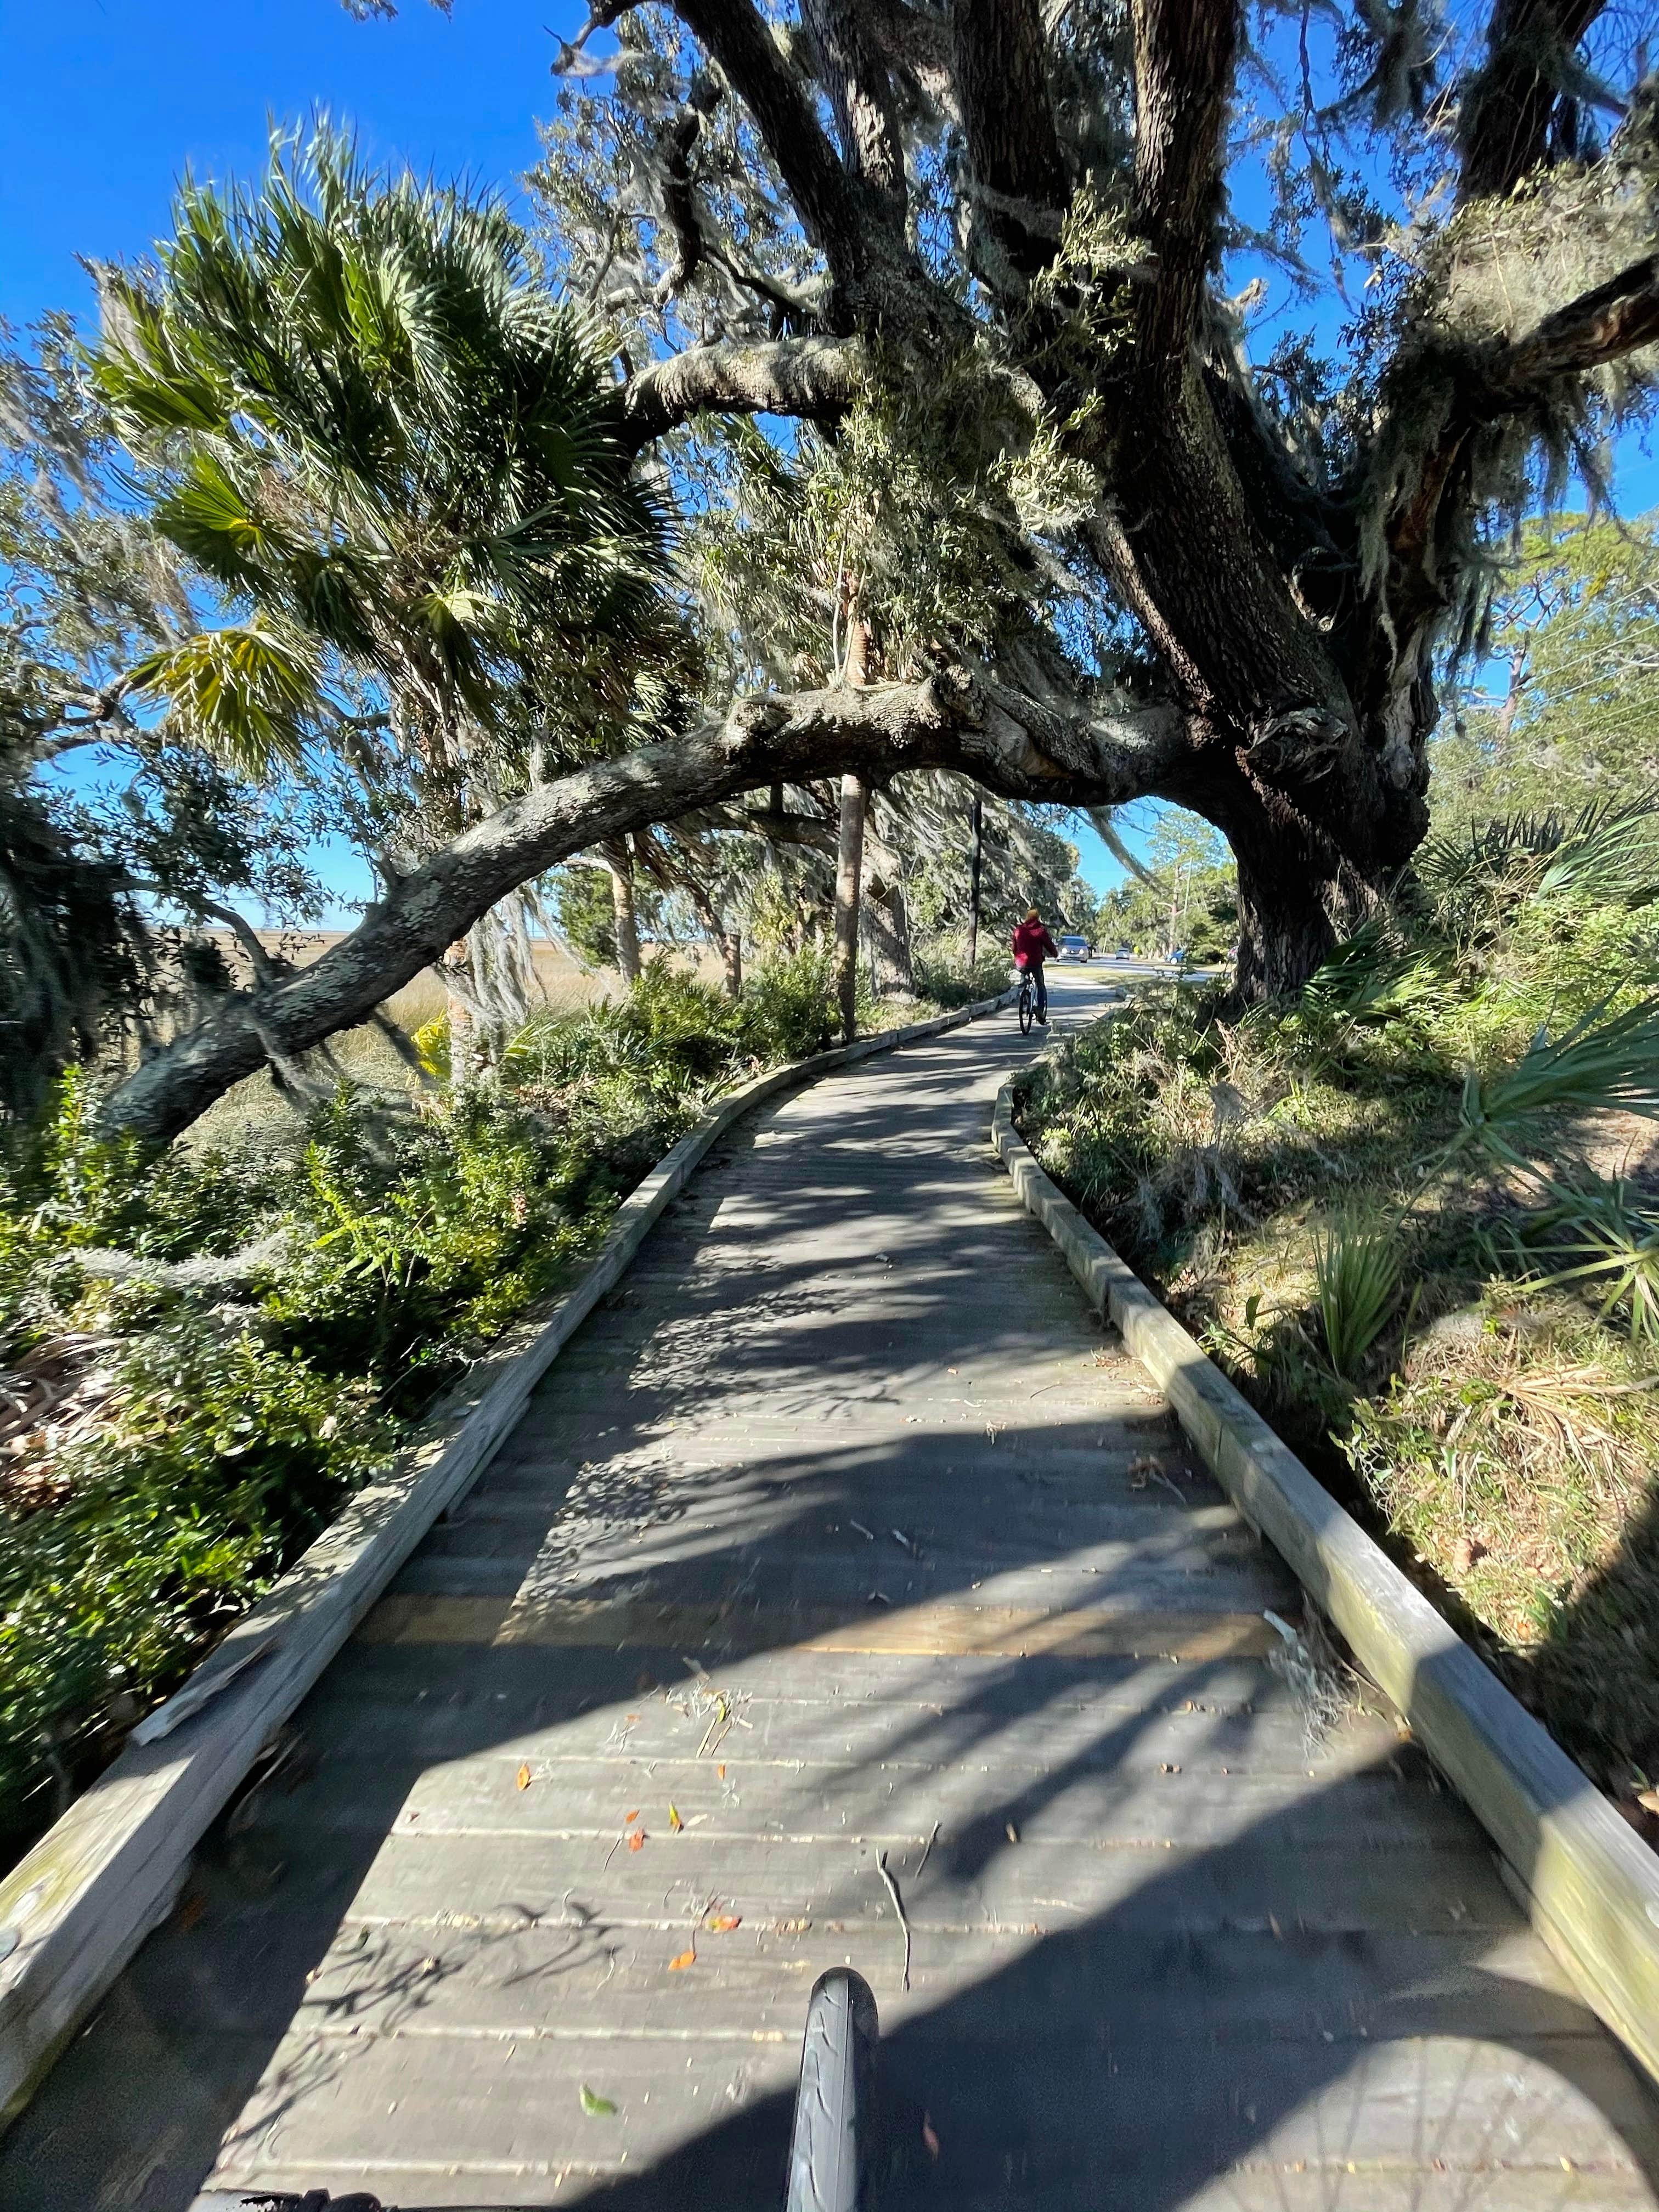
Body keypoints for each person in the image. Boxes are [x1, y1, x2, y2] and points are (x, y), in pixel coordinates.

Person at [1012, 907, 1058, 1023]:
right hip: (1035, 962)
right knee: (1040, 985)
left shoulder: (1019, 930)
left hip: (1021, 963)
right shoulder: (1040, 930)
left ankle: (1024, 997)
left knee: (1024, 979)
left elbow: (1014, 947)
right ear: (1037, 918)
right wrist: (1055, 954)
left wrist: (1016, 957)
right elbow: (1048, 944)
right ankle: (1040, 1011)